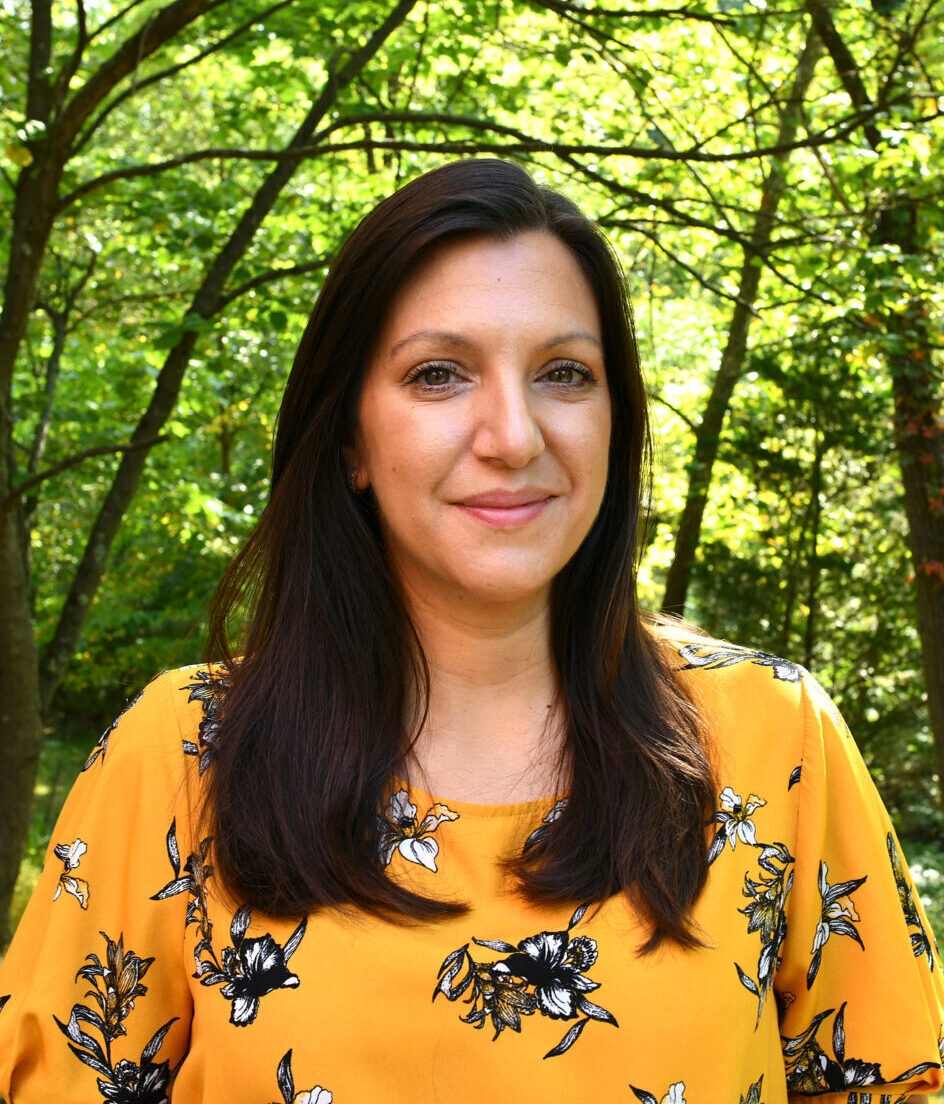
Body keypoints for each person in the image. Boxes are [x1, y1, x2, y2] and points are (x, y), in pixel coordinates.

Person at [0, 159, 941, 1104]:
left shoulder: (775, 743)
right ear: (351, 438)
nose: (514, 436)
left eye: (564, 374)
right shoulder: (187, 756)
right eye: (439, 375)